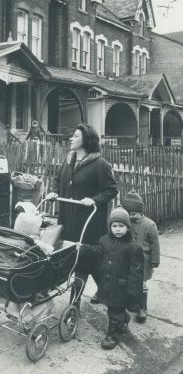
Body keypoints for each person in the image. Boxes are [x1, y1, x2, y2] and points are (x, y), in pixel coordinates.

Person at [56, 123, 118, 301]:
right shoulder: (68, 161)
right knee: (87, 264)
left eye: (75, 136)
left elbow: (111, 190)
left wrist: (94, 199)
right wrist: (54, 192)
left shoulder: (100, 164)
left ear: (86, 140)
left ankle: (75, 306)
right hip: (68, 222)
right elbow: (58, 180)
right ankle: (109, 297)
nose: (71, 138)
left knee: (84, 264)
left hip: (89, 225)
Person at [76, 206, 144, 349]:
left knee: (114, 311)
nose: (117, 229)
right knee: (112, 308)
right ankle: (123, 319)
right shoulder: (104, 240)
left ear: (127, 227)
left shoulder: (133, 248)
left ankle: (111, 336)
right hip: (106, 284)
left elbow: (136, 273)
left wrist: (133, 294)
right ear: (110, 227)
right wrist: (83, 248)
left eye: (121, 226)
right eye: (114, 226)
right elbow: (97, 252)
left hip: (122, 287)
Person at [122, 190, 160, 323]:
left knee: (142, 284)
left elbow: (155, 244)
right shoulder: (126, 223)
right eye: (129, 214)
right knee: (128, 280)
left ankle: (142, 307)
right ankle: (131, 303)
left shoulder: (150, 225)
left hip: (144, 260)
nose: (131, 217)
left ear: (140, 212)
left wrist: (155, 260)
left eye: (133, 214)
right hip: (129, 259)